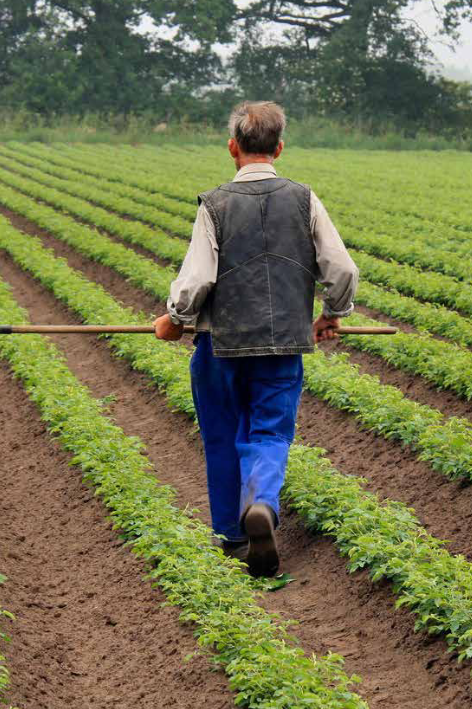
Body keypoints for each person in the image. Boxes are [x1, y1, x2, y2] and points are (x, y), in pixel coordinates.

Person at [153, 101, 359, 577]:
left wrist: (175, 318)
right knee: (269, 431)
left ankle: (231, 536)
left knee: (223, 435)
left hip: (220, 345)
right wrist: (331, 315)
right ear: (279, 148)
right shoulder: (305, 199)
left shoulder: (215, 204)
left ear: (233, 147)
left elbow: (196, 278)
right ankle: (262, 503)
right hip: (284, 343)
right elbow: (342, 268)